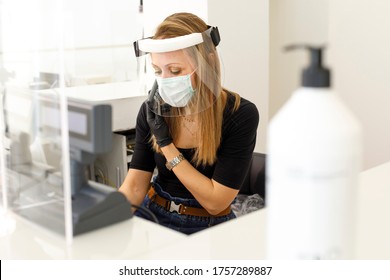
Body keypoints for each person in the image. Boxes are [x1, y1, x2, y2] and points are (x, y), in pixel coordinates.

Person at [119, 12, 259, 234]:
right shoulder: (152, 110)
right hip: (152, 213)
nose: (164, 80)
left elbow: (215, 203)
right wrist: (103, 216)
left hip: (207, 226)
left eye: (175, 70)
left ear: (204, 65)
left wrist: (166, 144)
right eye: (158, 71)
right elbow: (135, 186)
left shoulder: (240, 114)